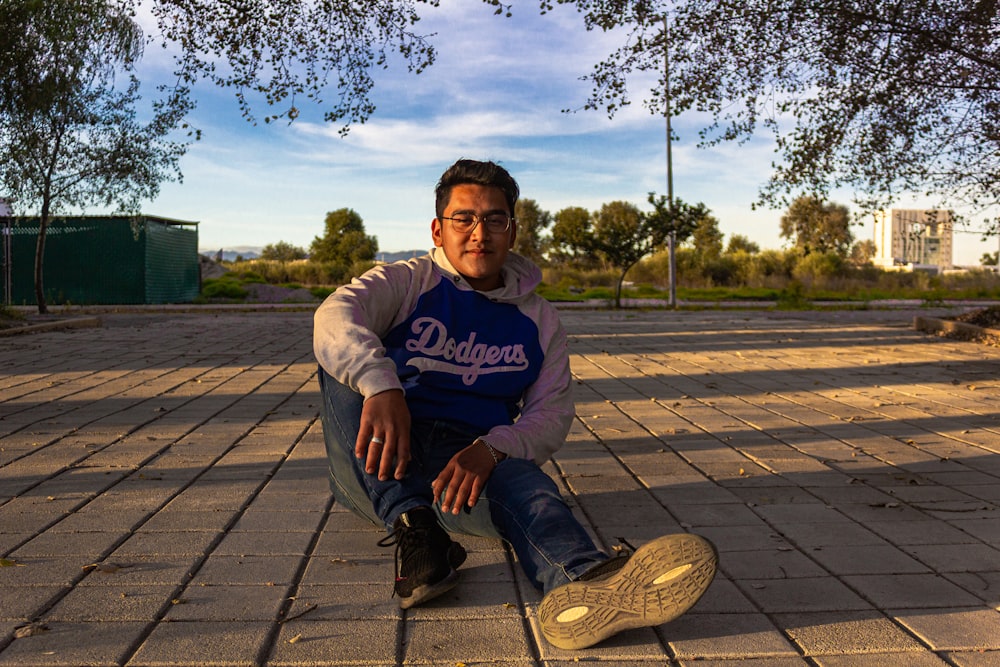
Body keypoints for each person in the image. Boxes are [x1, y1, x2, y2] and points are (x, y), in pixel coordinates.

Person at [313, 158, 717, 650]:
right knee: (344, 364)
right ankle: (416, 531)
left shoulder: (539, 320)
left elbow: (552, 413)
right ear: (439, 230)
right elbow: (334, 315)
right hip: (378, 463)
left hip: (464, 465)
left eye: (495, 219)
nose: (479, 232)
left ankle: (582, 586)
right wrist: (382, 385)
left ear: (513, 230)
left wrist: (494, 448)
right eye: (464, 218)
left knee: (535, 493)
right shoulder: (406, 283)